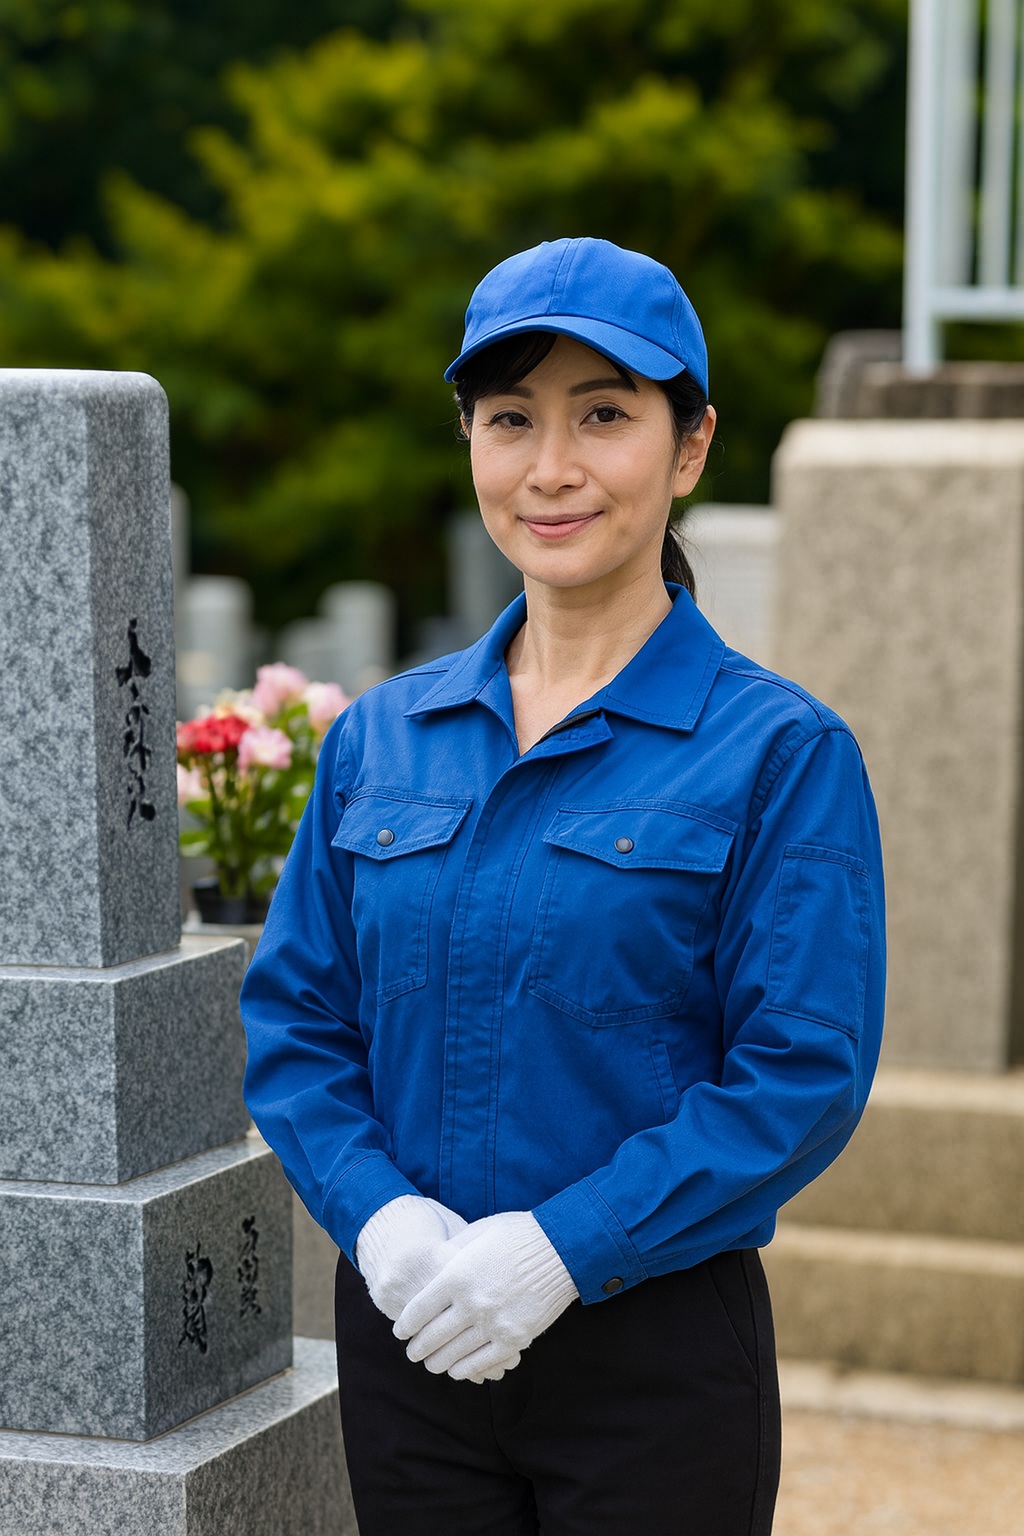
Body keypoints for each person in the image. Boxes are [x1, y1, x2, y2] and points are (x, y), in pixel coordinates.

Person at [241, 236, 885, 1536]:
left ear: (691, 446)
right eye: (510, 420)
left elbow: (800, 1073)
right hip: (411, 1345)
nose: (551, 468)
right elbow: (298, 1029)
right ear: (470, 442)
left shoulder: (777, 753)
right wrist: (380, 1223)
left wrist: (564, 1250)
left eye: (604, 415)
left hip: (650, 1364)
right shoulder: (383, 738)